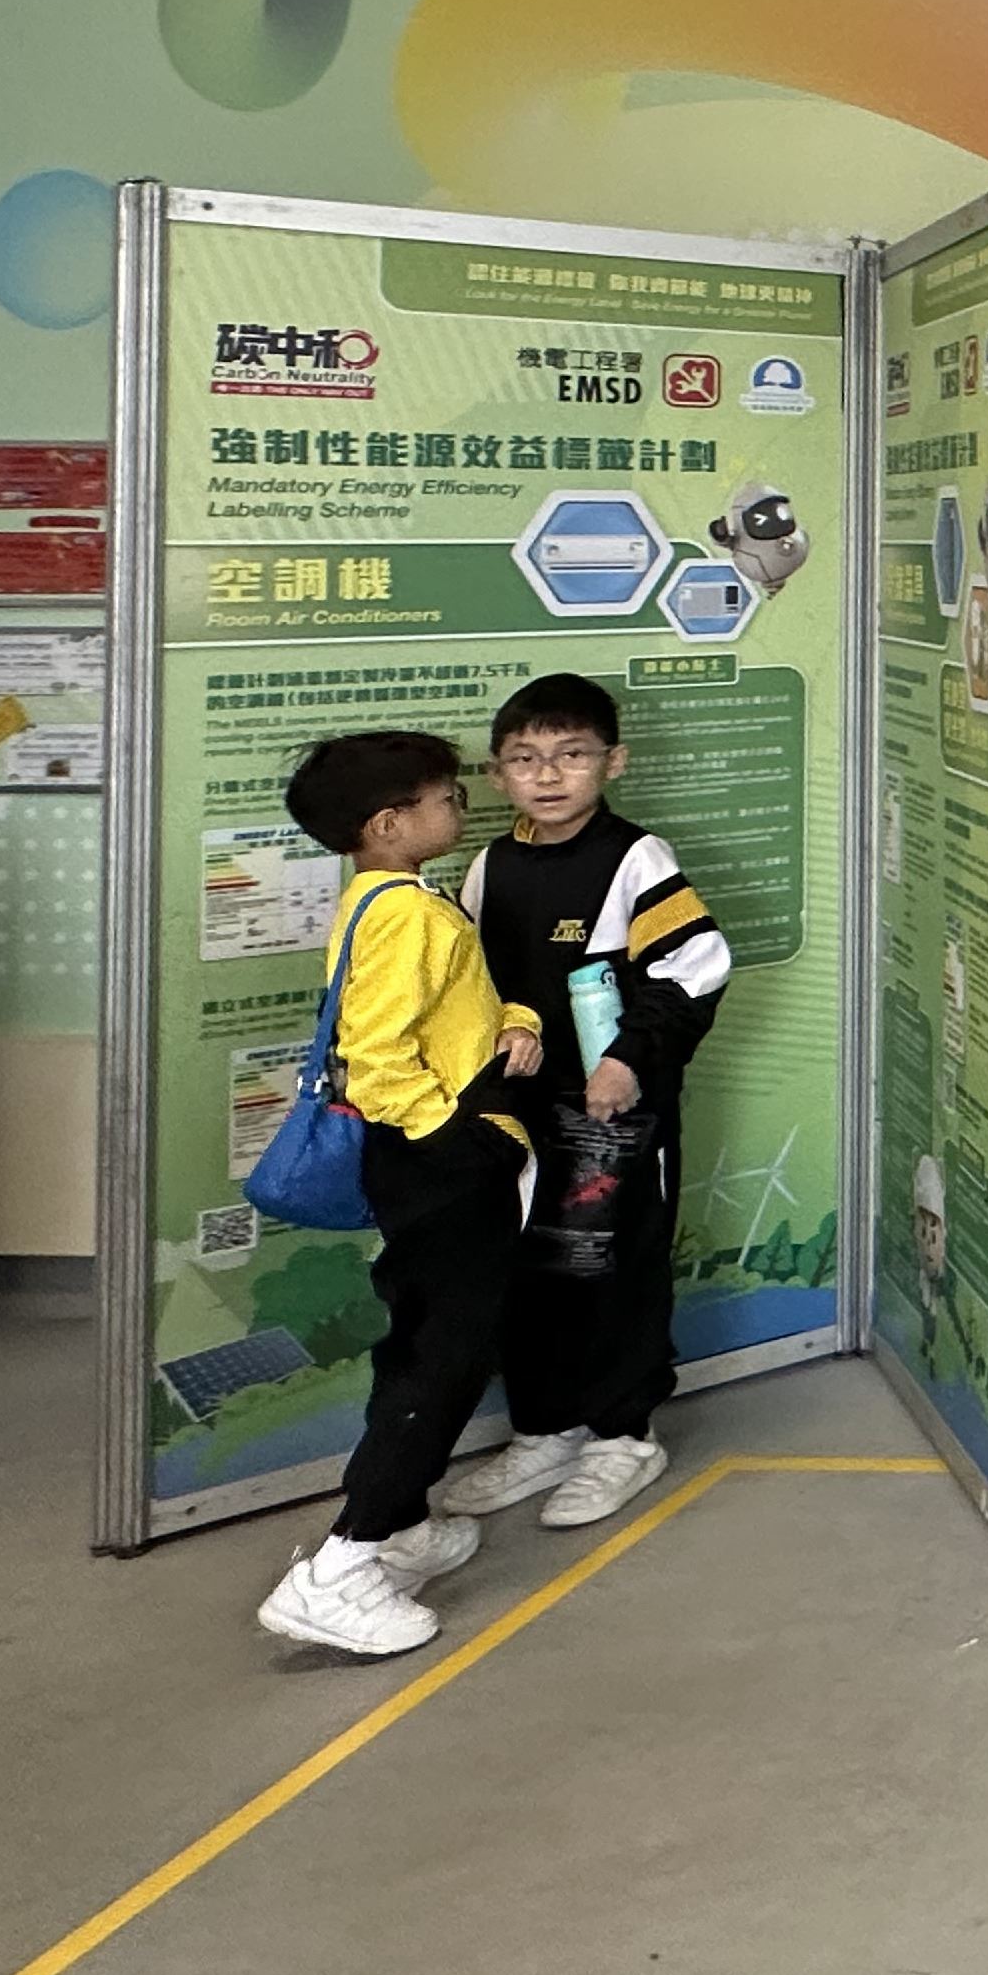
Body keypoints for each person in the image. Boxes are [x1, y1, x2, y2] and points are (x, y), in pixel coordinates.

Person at [255, 733, 540, 1658]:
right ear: (388, 824)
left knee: (424, 1339)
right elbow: (377, 1059)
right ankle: (341, 1567)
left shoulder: (382, 899)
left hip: (425, 1157)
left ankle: (403, 1526)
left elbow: (440, 1015)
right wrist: (459, 1140)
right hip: (438, 1163)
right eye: (446, 796)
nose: (462, 805)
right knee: (442, 1361)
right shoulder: (407, 915)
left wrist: (514, 1022)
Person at [428, 676, 727, 1535]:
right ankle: (544, 1430)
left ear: (613, 762)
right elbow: (467, 985)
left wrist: (630, 1060)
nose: (548, 775)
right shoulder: (490, 865)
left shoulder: (637, 858)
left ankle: (624, 1436)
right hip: (516, 1116)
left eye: (571, 755)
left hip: (612, 1116)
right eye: (525, 759)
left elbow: (695, 967)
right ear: (497, 775)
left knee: (614, 1262)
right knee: (527, 1268)